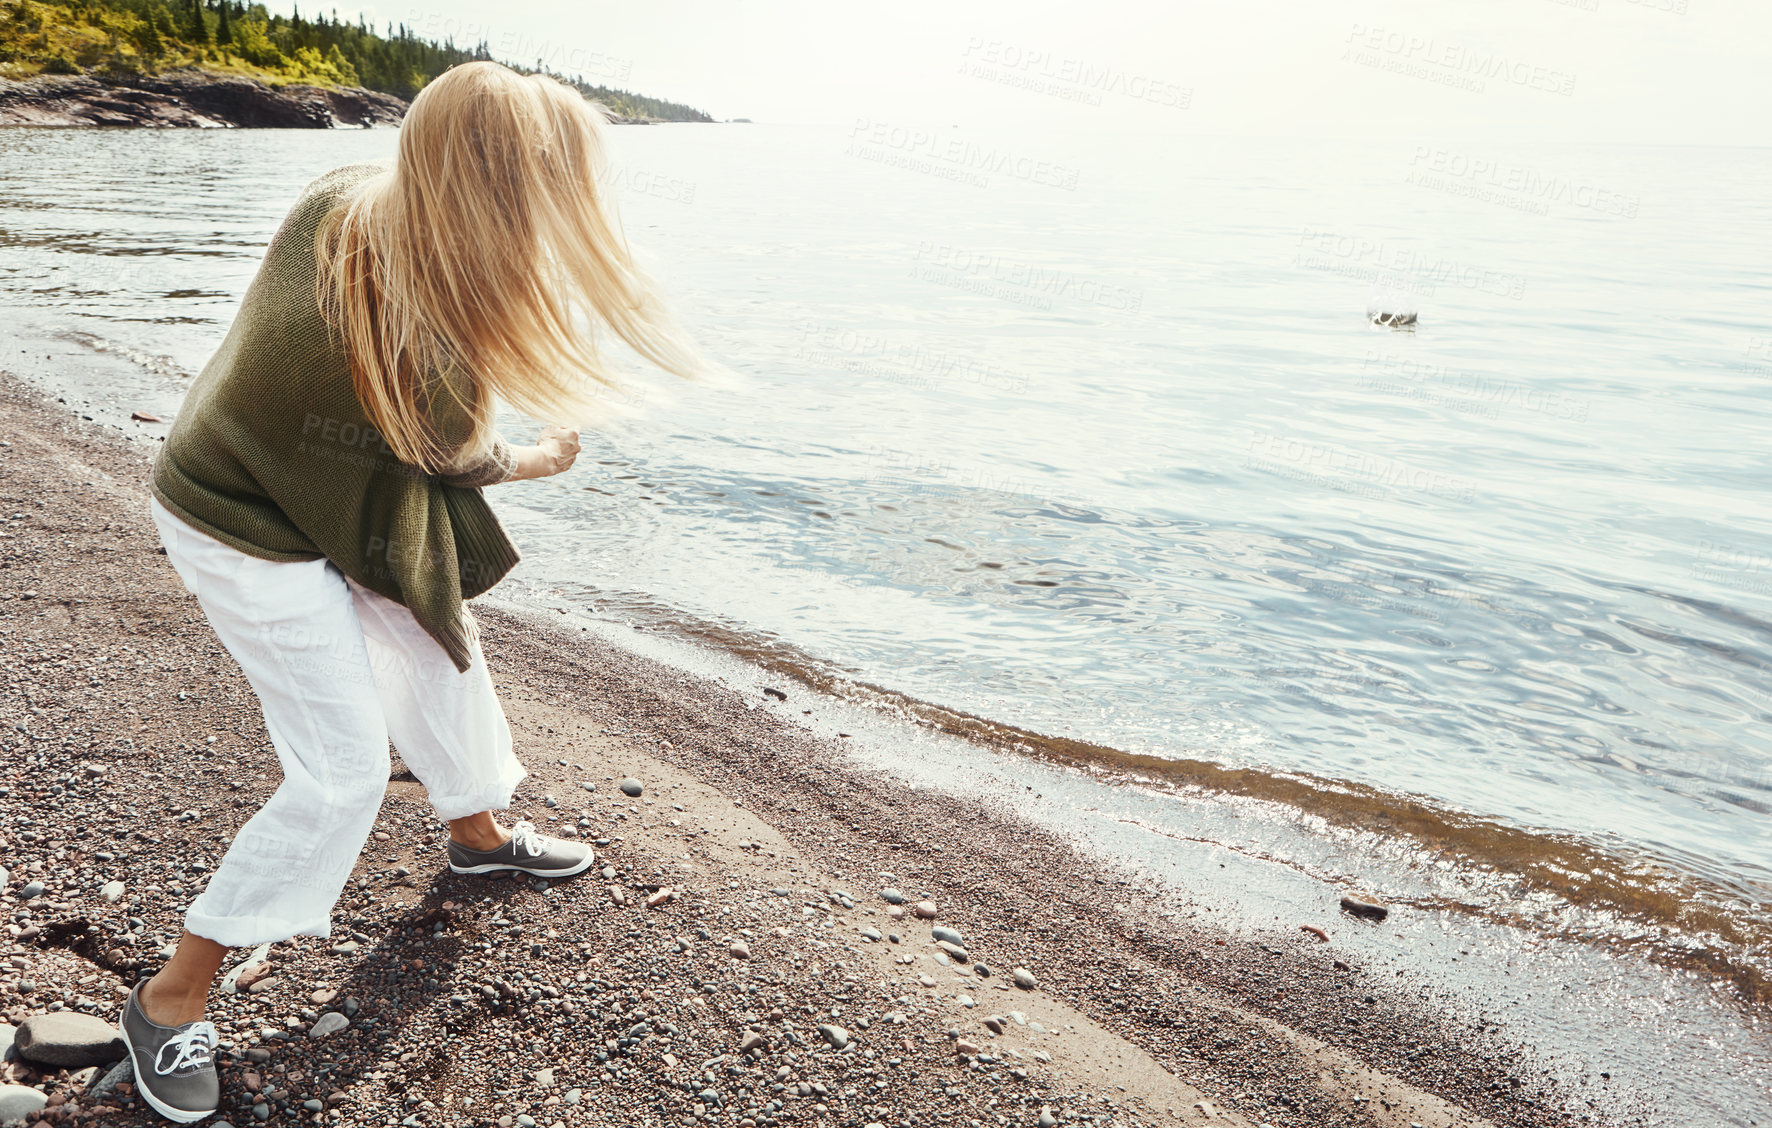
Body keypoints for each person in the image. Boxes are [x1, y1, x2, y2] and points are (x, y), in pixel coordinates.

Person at [117, 60, 714, 1122]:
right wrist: (535, 460)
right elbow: (448, 458)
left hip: (288, 476)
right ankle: (170, 998)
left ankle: (478, 837)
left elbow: (388, 434)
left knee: (442, 648)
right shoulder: (430, 337)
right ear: (511, 187)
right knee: (340, 776)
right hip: (243, 521)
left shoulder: (344, 194)